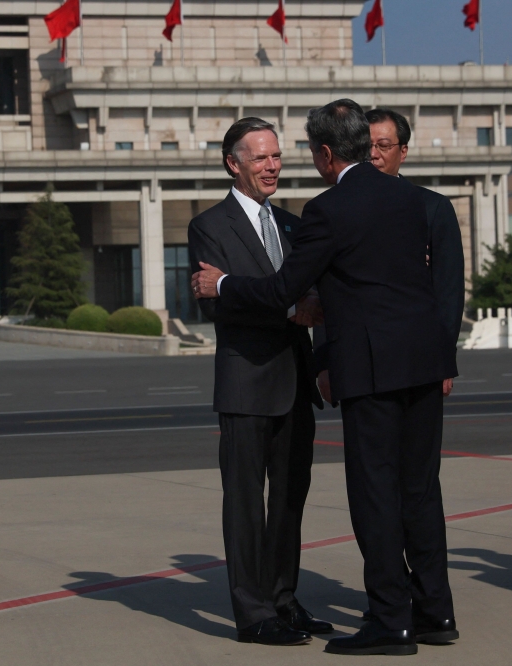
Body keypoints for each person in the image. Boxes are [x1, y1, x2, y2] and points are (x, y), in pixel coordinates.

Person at [192, 100, 457, 656]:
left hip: (365, 374)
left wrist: (224, 286)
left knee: (375, 497)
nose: (277, 165)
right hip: (416, 370)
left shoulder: (322, 212)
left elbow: (285, 287)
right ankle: (433, 612)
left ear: (327, 153)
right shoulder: (421, 203)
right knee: (419, 492)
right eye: (261, 156)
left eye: (290, 154)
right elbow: (433, 290)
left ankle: (389, 620)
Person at [187, 117, 329, 647]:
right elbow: (217, 306)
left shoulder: (294, 225)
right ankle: (252, 612)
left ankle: (285, 600)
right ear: (234, 164)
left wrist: (242, 289)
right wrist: (290, 305)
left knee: (290, 501)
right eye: (261, 158)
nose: (273, 166)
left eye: (277, 156)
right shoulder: (209, 226)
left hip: (296, 383)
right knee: (246, 504)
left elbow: (300, 295)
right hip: (246, 386)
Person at [365, 107, 465, 395]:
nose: (374, 154)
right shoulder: (337, 209)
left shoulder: (433, 208)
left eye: (383, 146)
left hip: (421, 360)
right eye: (366, 146)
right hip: (361, 362)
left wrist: (445, 358)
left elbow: (449, 291)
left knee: (420, 441)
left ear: (403, 151)